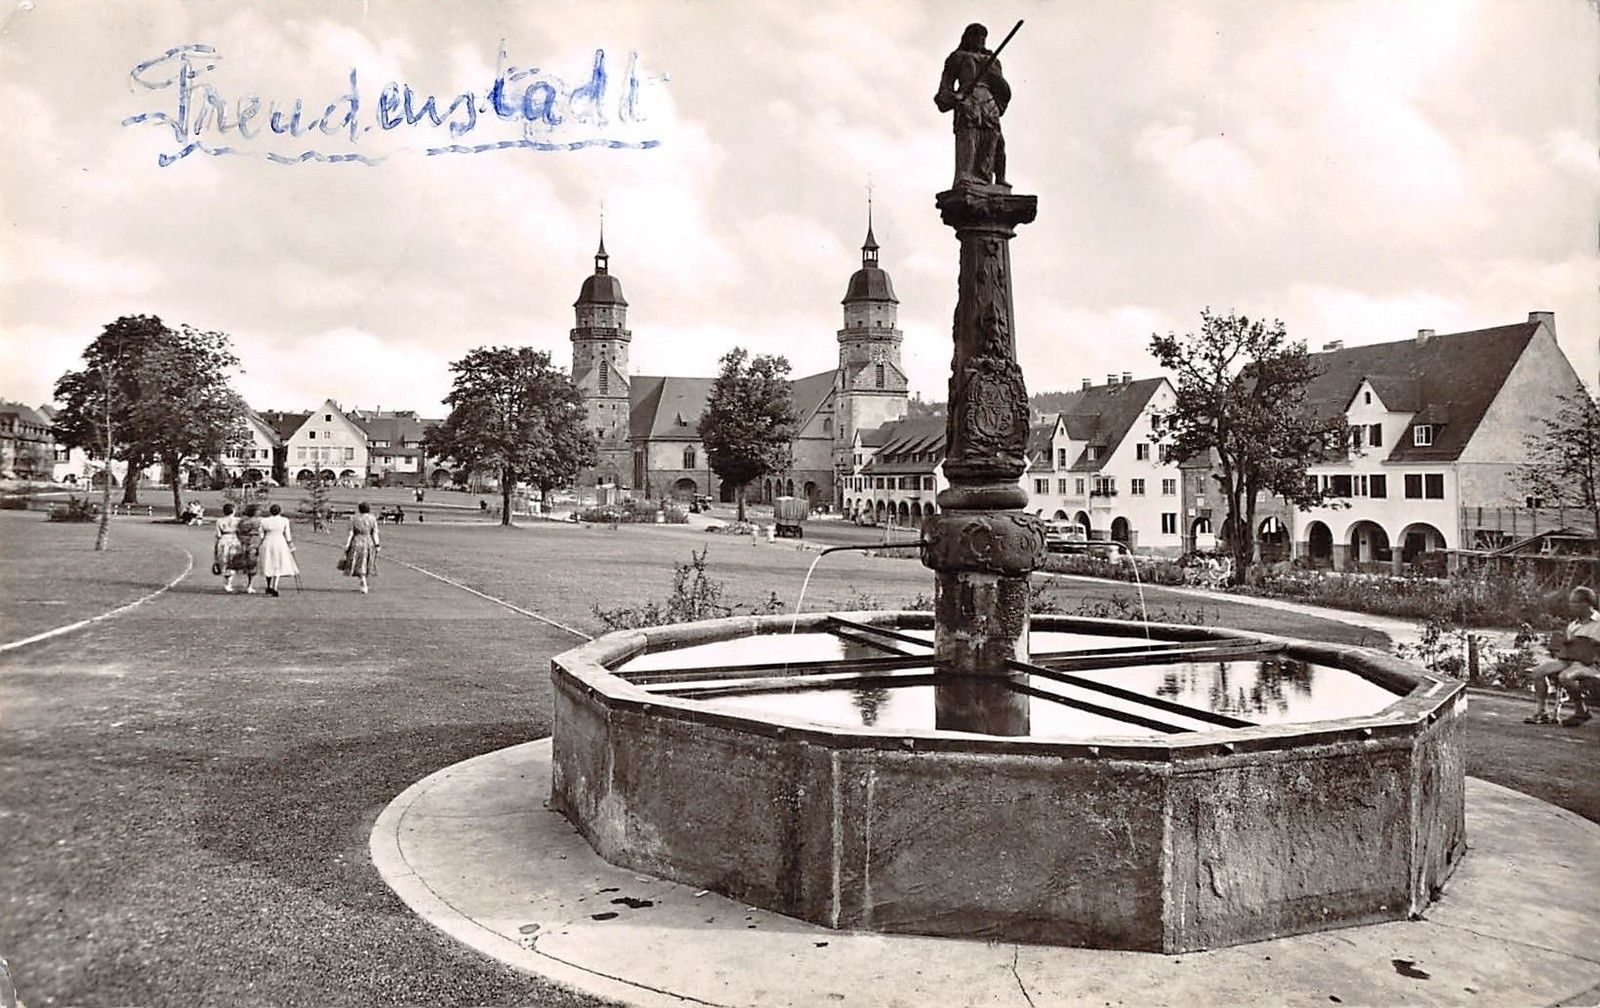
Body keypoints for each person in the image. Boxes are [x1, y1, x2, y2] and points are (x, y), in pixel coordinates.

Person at [934, 23, 1012, 187]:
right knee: (969, 138)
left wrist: (993, 74)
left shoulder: (993, 60)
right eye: (975, 35)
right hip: (968, 101)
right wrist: (955, 98)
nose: (980, 39)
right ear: (967, 38)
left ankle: (995, 179)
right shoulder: (958, 57)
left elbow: (1002, 88)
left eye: (983, 36)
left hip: (989, 103)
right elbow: (945, 86)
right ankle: (966, 175)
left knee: (995, 140)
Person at [1524, 586, 1600, 726]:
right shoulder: (1573, 625)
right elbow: (1570, 648)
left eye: (1575, 602)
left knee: (1565, 676)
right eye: (1571, 602)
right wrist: (1566, 644)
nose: (1571, 606)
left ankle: (1581, 711)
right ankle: (1541, 712)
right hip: (1570, 661)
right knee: (1538, 672)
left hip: (1593, 665)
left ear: (1586, 603)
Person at [256, 502, 299, 598]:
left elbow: (261, 534)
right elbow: (288, 535)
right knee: (277, 564)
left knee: (268, 563)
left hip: (267, 542)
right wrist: (290, 545)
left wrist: (260, 544)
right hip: (280, 542)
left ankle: (269, 586)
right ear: (280, 511)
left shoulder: (264, 520)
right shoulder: (284, 520)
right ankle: (274, 587)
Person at [341, 501, 382, 594]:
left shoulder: (354, 518)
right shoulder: (372, 518)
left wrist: (347, 545)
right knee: (366, 561)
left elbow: (350, 533)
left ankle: (363, 580)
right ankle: (364, 580)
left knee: (358, 562)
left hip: (357, 541)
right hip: (369, 542)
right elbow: (375, 533)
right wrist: (377, 544)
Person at [232, 503, 263, 594]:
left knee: (242, 563)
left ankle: (242, 584)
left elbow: (238, 532)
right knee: (252, 564)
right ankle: (249, 585)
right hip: (253, 543)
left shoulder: (242, 521)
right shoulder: (257, 521)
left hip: (243, 543)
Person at [213, 503, 241, 593]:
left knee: (224, 560)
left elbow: (218, 535)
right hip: (234, 539)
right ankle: (228, 582)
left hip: (223, 539)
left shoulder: (219, 521)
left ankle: (227, 582)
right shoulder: (238, 520)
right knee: (233, 560)